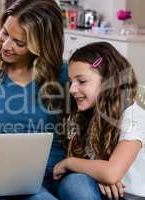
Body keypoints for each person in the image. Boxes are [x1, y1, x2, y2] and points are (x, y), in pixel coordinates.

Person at [0, 0, 67, 199]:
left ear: (42, 46)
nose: (5, 45)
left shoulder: (65, 75)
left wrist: (110, 166)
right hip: (4, 175)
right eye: (5, 33)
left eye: (19, 43)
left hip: (57, 172)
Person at [53, 42, 145, 200]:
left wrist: (68, 163)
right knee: (74, 183)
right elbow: (99, 169)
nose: (72, 89)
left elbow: (111, 173)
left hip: (133, 197)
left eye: (81, 81)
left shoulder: (132, 116)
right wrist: (97, 173)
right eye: (71, 81)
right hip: (103, 192)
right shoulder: (85, 113)